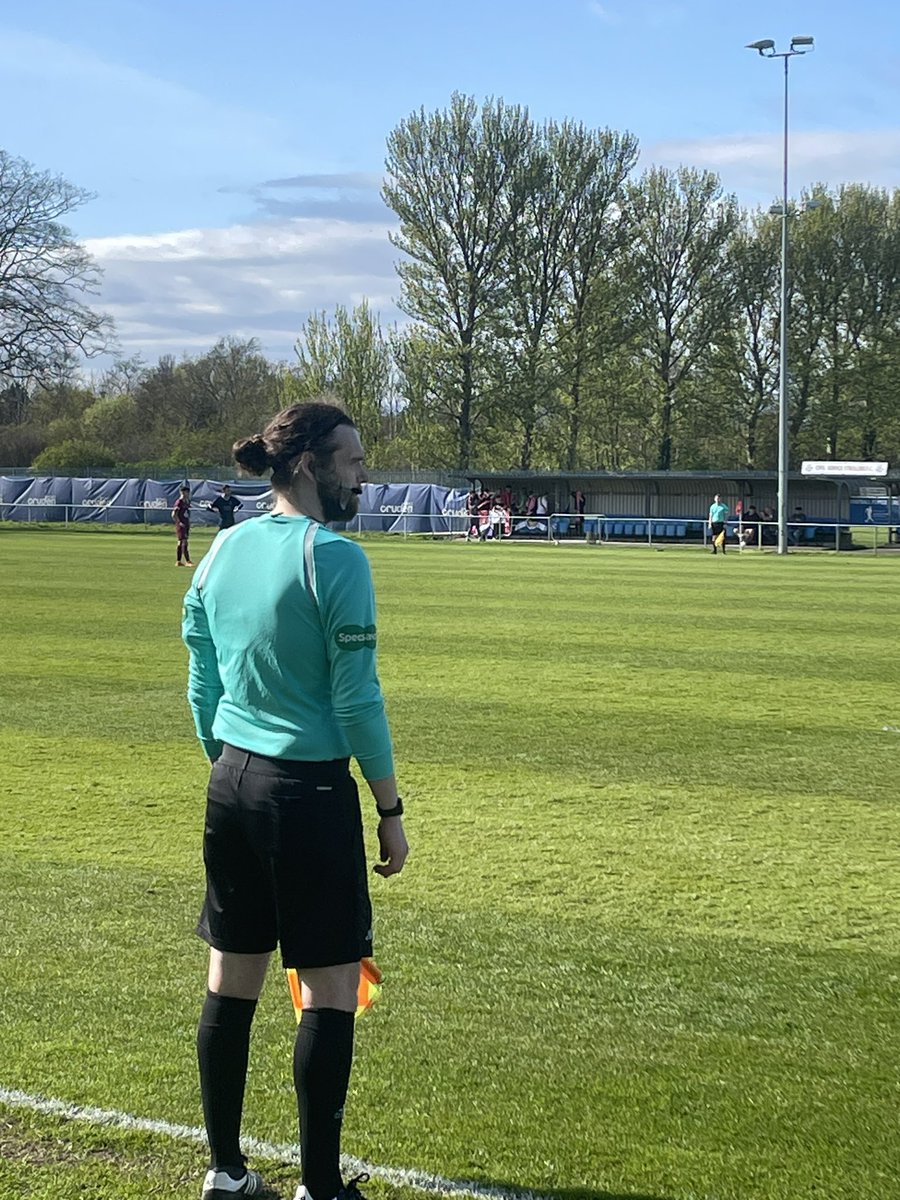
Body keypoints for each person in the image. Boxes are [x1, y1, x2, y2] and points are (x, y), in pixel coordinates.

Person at [182, 401, 409, 1200]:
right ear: (310, 465)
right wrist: (389, 807)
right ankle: (319, 1186)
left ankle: (227, 1176)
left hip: (232, 783)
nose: (363, 474)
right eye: (351, 459)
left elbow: (201, 678)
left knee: (231, 977)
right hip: (307, 792)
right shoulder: (336, 558)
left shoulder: (220, 549)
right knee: (332, 988)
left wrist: (231, 763)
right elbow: (358, 701)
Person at [173, 485, 194, 567]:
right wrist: (179, 522)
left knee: (183, 541)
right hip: (181, 524)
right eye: (186, 492)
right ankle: (186, 561)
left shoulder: (187, 501)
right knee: (183, 541)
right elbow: (174, 514)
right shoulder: (179, 502)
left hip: (186, 523)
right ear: (182, 492)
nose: (188, 494)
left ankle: (179, 561)